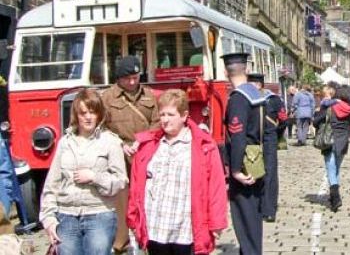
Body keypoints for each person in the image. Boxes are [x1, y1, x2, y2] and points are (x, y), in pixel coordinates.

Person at [127, 89, 227, 255]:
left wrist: (216, 222)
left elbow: (216, 187)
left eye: (170, 115)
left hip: (185, 225)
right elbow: (136, 185)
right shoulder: (149, 145)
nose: (165, 120)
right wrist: (133, 217)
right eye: (162, 114)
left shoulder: (203, 146)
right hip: (156, 224)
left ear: (184, 115)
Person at [40, 88, 127, 255]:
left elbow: (120, 180)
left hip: (99, 214)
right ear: (76, 115)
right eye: (83, 112)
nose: (88, 117)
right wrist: (49, 219)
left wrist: (95, 177)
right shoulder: (65, 143)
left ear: (99, 114)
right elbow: (51, 184)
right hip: (66, 215)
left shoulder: (110, 142)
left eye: (92, 112)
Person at [101, 55, 159, 254]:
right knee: (121, 202)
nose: (133, 82)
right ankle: (121, 242)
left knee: (146, 199)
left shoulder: (149, 95)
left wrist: (142, 140)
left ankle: (146, 238)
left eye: (136, 77)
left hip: (145, 155)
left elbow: (158, 122)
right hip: (119, 160)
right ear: (119, 78)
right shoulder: (106, 98)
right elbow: (101, 127)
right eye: (128, 79)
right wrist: (120, 144)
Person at [222, 53, 266, 255]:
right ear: (246, 70)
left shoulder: (238, 98)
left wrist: (236, 170)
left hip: (245, 164)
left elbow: (237, 136)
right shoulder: (255, 94)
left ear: (226, 72)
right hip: (257, 158)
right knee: (253, 220)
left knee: (244, 220)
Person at [247, 73, 285, 223]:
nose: (253, 87)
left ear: (261, 85)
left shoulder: (273, 100)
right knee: (253, 171)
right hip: (252, 140)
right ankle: (256, 205)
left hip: (269, 139)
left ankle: (269, 209)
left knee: (270, 173)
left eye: (255, 84)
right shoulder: (247, 100)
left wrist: (275, 134)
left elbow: (283, 119)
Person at [313, 83, 350, 212]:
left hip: (329, 141)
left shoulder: (330, 107)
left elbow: (316, 121)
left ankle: (335, 197)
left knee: (330, 168)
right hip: (342, 142)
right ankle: (333, 196)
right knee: (336, 168)